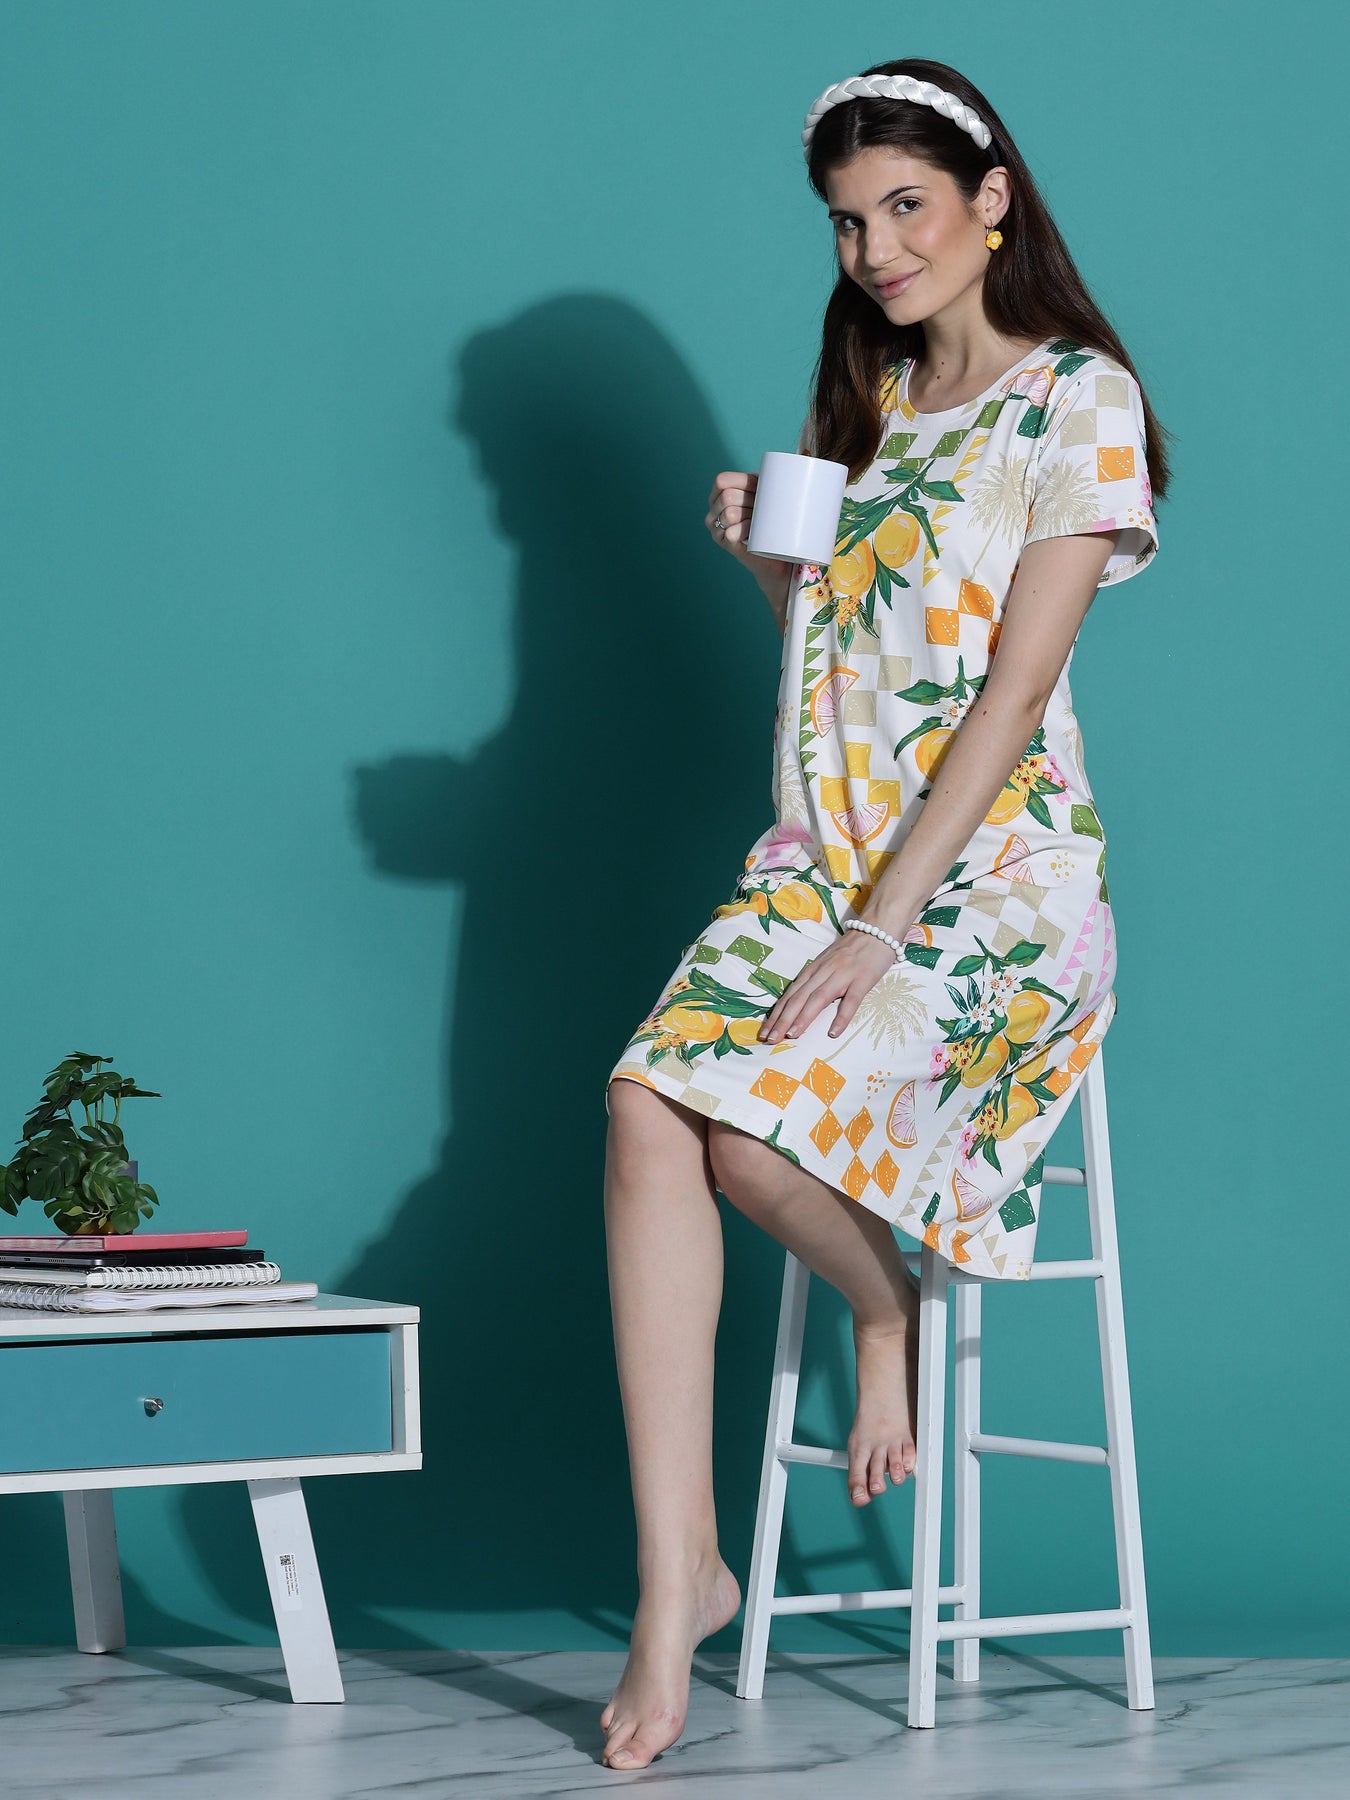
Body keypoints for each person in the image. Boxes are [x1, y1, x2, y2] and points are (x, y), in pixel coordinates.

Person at [598, 55, 1169, 1772]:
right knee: (644, 1108)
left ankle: (884, 1305)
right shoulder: (870, 408)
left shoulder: (1078, 399)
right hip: (824, 861)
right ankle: (677, 1577)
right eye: (848, 222)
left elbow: (1005, 696)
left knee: (752, 1145)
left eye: (905, 207)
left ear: (991, 201)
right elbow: (849, 673)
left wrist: (879, 927)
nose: (876, 250)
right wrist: (772, 570)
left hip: (995, 883)